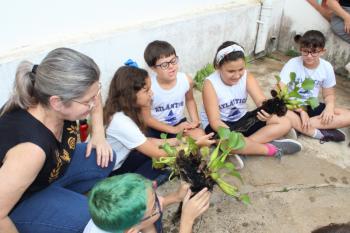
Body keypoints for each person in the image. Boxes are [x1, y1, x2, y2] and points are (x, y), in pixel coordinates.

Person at [0, 48, 115, 233]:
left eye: (96, 94)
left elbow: (93, 94)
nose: (94, 103)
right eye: (88, 102)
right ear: (57, 102)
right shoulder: (31, 150)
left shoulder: (54, 99)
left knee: (104, 157)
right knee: (92, 219)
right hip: (18, 201)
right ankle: (45, 215)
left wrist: (99, 135)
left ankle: (59, 202)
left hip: (44, 175)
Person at [104, 65, 215, 183]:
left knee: (167, 158)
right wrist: (195, 144)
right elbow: (157, 152)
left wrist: (182, 140)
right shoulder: (121, 122)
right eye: (146, 90)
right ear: (130, 93)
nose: (151, 94)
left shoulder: (124, 111)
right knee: (162, 163)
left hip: (128, 156)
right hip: (116, 170)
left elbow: (147, 141)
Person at [201, 41, 302, 157]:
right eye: (231, 71)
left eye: (241, 69)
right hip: (220, 127)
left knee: (284, 122)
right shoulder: (210, 84)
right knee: (226, 142)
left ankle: (246, 148)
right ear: (218, 67)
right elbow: (215, 121)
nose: (237, 75)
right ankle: (270, 149)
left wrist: (268, 113)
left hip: (243, 119)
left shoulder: (247, 77)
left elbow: (261, 101)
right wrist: (233, 136)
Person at [280, 30, 350, 142]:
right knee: (276, 111)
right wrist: (301, 111)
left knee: (347, 115)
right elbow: (280, 91)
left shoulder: (326, 67)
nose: (309, 56)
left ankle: (297, 126)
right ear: (300, 49)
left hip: (311, 104)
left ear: (322, 51)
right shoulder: (292, 63)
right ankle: (317, 129)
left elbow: (329, 94)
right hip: (292, 105)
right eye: (305, 52)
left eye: (314, 52)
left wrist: (329, 108)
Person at [84, 173, 211, 233]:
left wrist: (176, 197)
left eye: (155, 196)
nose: (161, 200)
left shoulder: (122, 222)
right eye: (155, 206)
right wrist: (187, 222)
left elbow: (145, 220)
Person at [142, 40, 205, 140]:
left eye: (173, 61)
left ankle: (176, 142)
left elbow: (190, 100)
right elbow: (147, 119)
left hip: (178, 123)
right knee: (148, 149)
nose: (171, 66)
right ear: (153, 68)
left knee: (199, 135)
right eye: (164, 65)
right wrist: (173, 130)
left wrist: (195, 122)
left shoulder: (186, 80)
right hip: (155, 128)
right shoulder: (149, 88)